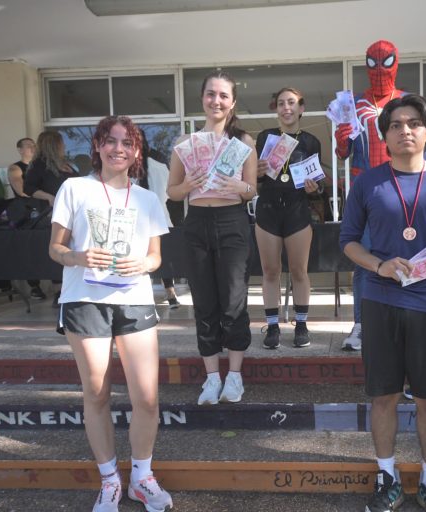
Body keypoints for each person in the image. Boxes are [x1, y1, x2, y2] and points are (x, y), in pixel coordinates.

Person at [340, 94, 426, 512]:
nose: (405, 131)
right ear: (385, 136)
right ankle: (386, 475)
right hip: (380, 300)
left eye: (414, 123)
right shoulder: (368, 182)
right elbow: (349, 242)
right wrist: (379, 266)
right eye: (396, 125)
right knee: (384, 396)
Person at [48, 115, 172, 512]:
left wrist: (145, 264)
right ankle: (109, 480)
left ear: (136, 152)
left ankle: (142, 478)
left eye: (127, 143)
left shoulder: (147, 198)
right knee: (97, 392)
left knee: (147, 397)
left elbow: (155, 256)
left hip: (134, 299)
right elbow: (55, 249)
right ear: (98, 146)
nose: (119, 148)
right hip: (85, 300)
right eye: (111, 140)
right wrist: (78, 256)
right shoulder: (74, 188)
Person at [167, 71, 257, 406]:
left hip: (232, 220)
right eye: (210, 94)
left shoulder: (244, 142)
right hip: (197, 222)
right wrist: (188, 185)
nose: (216, 101)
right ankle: (211, 377)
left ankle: (234, 376)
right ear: (202, 99)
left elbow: (251, 190)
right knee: (204, 301)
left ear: (232, 103)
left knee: (233, 299)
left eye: (223, 95)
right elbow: (172, 192)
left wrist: (239, 186)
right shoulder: (185, 143)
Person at [335, 39, 405, 352]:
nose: (379, 69)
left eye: (386, 62)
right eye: (372, 63)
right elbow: (343, 152)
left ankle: (400, 321)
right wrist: (341, 137)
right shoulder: (353, 105)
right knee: (363, 259)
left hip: (400, 189)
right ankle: (362, 324)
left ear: (395, 62)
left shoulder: (405, 102)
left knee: (402, 252)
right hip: (363, 189)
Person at [255, 87, 322, 349]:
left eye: (292, 103)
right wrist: (257, 172)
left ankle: (301, 325)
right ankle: (272, 327)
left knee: (298, 270)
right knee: (270, 271)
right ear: (276, 109)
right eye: (281, 103)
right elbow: (254, 180)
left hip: (297, 209)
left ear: (301, 108)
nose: (286, 108)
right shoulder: (265, 137)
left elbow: (317, 183)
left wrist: (315, 188)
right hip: (268, 209)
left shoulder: (311, 142)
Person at [25, 130, 78, 306]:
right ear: (54, 144)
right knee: (59, 249)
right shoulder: (39, 165)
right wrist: (49, 197)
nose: (64, 146)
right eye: (61, 143)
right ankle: (59, 292)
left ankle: (70, 288)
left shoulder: (65, 164)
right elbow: (28, 188)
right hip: (52, 215)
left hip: (73, 214)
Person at [138, 129, 179, 309]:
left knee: (141, 259)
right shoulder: (160, 166)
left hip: (137, 224)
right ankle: (171, 294)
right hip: (162, 220)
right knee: (164, 259)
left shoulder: (128, 170)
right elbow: (169, 194)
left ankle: (144, 298)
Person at [8, 137, 46, 300]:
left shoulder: (41, 166)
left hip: (44, 210)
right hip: (27, 213)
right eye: (28, 146)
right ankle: (34, 286)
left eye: (34, 145)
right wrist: (44, 194)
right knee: (29, 248)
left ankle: (58, 285)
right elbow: (22, 190)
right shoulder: (16, 168)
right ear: (20, 150)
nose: (33, 148)